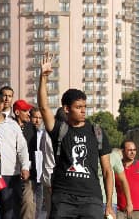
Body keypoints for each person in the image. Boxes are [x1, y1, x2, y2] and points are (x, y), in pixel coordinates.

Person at [37, 53, 115, 218]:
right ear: (66, 109)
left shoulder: (97, 132)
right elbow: (44, 108)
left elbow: (108, 171)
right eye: (78, 107)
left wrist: (108, 204)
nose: (83, 110)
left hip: (92, 199)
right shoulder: (60, 129)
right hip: (63, 198)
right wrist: (43, 78)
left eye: (84, 106)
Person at [0, 93, 30, 219]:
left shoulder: (13, 125)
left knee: (10, 213)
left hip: (10, 176)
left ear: (2, 105)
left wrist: (25, 167)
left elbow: (22, 148)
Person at [13, 99, 38, 219]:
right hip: (10, 174)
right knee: (11, 206)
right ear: (17, 112)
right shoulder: (8, 126)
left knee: (28, 203)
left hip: (29, 175)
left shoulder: (32, 128)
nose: (29, 113)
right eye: (25, 111)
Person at [99, 148, 133, 216]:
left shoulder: (113, 156)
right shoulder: (87, 153)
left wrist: (129, 203)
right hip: (88, 200)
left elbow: (123, 180)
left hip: (108, 202)